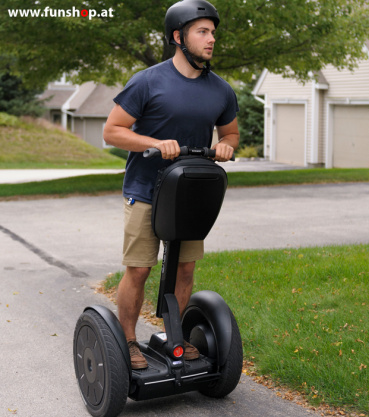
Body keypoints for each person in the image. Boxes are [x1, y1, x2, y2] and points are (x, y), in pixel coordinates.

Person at [103, 0, 240, 370]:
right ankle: (128, 341)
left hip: (189, 194)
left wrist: (227, 146)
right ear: (179, 37)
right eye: (203, 31)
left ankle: (171, 335)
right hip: (146, 192)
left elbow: (230, 133)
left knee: (185, 269)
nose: (212, 39)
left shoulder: (221, 90)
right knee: (140, 269)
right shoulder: (148, 81)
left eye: (213, 32)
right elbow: (112, 131)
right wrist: (153, 144)